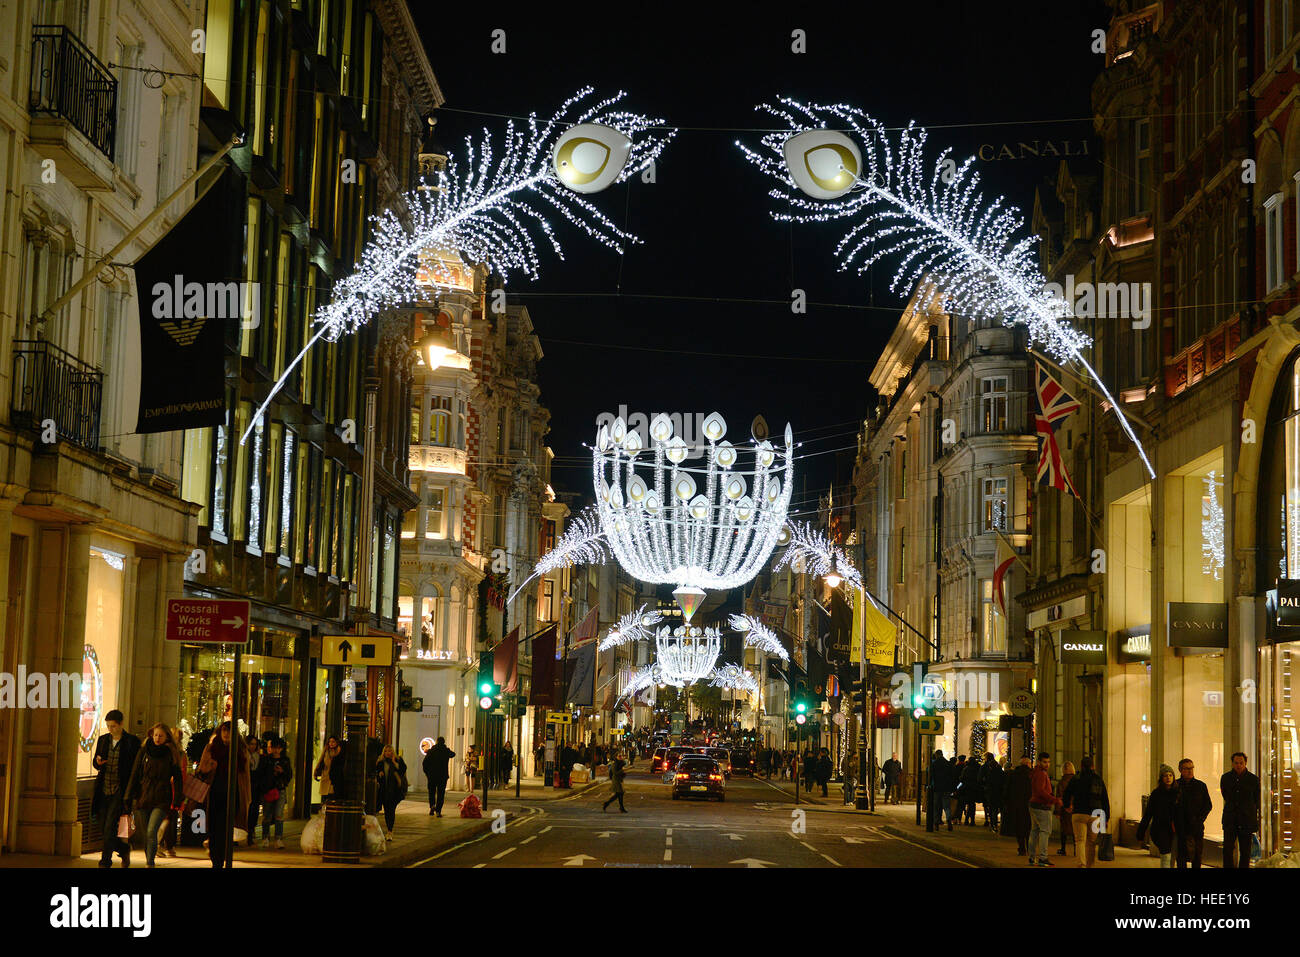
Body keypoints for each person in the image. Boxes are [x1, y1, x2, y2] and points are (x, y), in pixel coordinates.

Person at [123, 722, 183, 868]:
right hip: (144, 795)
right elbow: (135, 773)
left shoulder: (171, 753)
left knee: (151, 831)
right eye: (155, 735)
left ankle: (150, 863)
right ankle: (149, 857)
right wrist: (128, 795)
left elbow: (178, 778)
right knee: (146, 834)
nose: (157, 738)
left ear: (166, 737)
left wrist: (177, 799)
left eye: (160, 736)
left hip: (162, 797)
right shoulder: (144, 751)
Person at [197, 721, 251, 869]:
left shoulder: (240, 750)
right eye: (224, 731)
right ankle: (216, 859)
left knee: (226, 829)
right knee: (215, 828)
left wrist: (246, 797)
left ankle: (222, 856)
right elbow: (201, 770)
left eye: (230, 731)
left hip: (233, 794)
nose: (226, 734)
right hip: (214, 794)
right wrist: (209, 766)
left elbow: (245, 776)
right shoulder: (211, 748)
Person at [92, 709, 141, 868]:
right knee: (102, 825)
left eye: (113, 726)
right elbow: (96, 761)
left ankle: (105, 861)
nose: (110, 729)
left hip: (120, 789)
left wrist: (132, 792)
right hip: (103, 787)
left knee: (109, 827)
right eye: (108, 726)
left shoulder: (131, 742)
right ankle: (123, 848)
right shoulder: (103, 740)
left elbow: (135, 768)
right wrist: (97, 762)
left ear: (121, 724)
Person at [1062, 756, 1110, 869]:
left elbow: (1067, 794)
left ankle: (1081, 864)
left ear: (1081, 766)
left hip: (1079, 813)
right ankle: (1090, 865)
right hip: (1095, 815)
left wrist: (1067, 806)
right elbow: (1105, 799)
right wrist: (1106, 817)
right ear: (1093, 766)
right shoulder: (1098, 780)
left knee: (1079, 841)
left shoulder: (1076, 778)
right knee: (1091, 842)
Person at [1220, 752, 1261, 869]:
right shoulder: (1226, 778)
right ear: (1232, 764)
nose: (1239, 765)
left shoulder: (1253, 779)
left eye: (1241, 763)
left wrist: (1249, 810)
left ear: (1245, 763)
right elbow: (1226, 795)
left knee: (1245, 851)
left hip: (1246, 820)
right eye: (1236, 763)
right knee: (1227, 849)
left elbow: (1256, 800)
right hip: (1230, 819)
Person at [1172, 757, 1211, 869]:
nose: (1190, 771)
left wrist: (1200, 820)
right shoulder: (1176, 786)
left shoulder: (1200, 786)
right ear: (1180, 770)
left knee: (1197, 855)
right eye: (1186, 768)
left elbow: (1208, 805)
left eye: (1191, 768)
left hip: (1196, 826)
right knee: (1181, 856)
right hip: (1181, 827)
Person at [1136, 764, 1178, 868]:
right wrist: (1140, 833)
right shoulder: (1156, 794)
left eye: (1170, 775)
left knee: (1173, 856)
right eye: (1165, 776)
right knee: (1166, 855)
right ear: (1161, 778)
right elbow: (1148, 814)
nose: (1168, 778)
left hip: (1175, 829)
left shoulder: (1178, 793)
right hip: (1160, 829)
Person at [254, 737, 292, 849]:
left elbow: (289, 775)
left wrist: (282, 771)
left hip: (280, 789)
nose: (276, 750)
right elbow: (261, 774)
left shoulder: (285, 760)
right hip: (268, 790)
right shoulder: (266, 760)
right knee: (267, 815)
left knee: (279, 815)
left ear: (281, 748)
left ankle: (278, 838)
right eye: (274, 747)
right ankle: (265, 837)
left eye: (278, 748)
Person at [1027, 752, 1061, 866]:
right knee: (1044, 832)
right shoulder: (1041, 774)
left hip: (1034, 805)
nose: (1047, 764)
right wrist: (1054, 800)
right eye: (1044, 762)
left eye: (1048, 762)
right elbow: (1041, 791)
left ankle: (1032, 856)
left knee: (1034, 831)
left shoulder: (1036, 772)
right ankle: (1043, 857)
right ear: (1039, 762)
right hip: (1042, 806)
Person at [374, 744, 408, 840]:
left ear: (392, 752)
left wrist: (395, 764)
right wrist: (379, 773)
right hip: (384, 791)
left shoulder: (398, 760)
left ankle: (390, 831)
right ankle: (388, 830)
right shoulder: (380, 762)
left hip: (394, 791)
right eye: (386, 751)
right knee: (386, 811)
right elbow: (375, 771)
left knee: (391, 810)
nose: (388, 753)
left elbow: (403, 770)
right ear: (383, 752)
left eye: (390, 751)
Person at [1004, 757, 1033, 855]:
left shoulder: (1013, 774)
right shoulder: (1031, 774)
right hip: (1029, 805)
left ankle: (1021, 848)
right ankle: (1030, 848)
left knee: (1019, 828)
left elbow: (1007, 790)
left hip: (1016, 805)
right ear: (1028, 764)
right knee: (1029, 828)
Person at [423, 737, 455, 817]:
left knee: (431, 792)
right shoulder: (445, 751)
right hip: (442, 776)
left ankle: (432, 806)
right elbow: (453, 754)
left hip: (432, 776)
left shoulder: (431, 751)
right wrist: (447, 749)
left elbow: (424, 763)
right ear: (444, 742)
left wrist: (427, 773)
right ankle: (438, 811)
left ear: (436, 742)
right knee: (441, 794)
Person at [928, 749, 954, 832]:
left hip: (937, 788)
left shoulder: (934, 764)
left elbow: (931, 776)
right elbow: (951, 776)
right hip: (946, 788)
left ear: (936, 755)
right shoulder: (947, 763)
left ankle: (936, 823)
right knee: (947, 806)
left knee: (936, 806)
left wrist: (930, 785)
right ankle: (949, 820)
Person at [1055, 761, 1076, 856]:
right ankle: (1076, 850)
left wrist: (1058, 811)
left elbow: (1059, 797)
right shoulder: (1077, 780)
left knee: (1064, 829)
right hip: (1076, 809)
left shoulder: (1062, 782)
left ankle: (1063, 848)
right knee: (1076, 830)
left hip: (1065, 809)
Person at [979, 752, 1004, 830]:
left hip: (988, 790)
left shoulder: (984, 767)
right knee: (995, 807)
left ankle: (989, 820)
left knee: (989, 806)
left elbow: (979, 778)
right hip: (997, 790)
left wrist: (984, 785)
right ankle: (994, 822)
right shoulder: (998, 767)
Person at [315, 735, 341, 806]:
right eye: (330, 741)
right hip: (325, 774)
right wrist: (316, 771)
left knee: (332, 794)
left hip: (334, 777)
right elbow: (320, 760)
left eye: (333, 742)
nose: (331, 743)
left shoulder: (339, 751)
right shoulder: (326, 750)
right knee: (325, 795)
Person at [958, 754, 982, 825]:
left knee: (967, 804)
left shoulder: (966, 769)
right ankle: (972, 820)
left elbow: (961, 778)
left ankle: (966, 819)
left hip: (967, 788)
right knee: (972, 804)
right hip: (974, 788)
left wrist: (958, 787)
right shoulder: (978, 768)